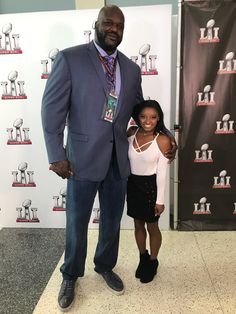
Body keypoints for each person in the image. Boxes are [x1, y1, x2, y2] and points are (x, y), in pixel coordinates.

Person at [41, 5, 177, 312]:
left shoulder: (131, 69)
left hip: (119, 160)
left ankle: (104, 265)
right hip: (81, 159)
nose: (113, 28)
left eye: (119, 24)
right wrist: (56, 155)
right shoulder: (70, 59)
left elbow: (141, 110)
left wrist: (165, 135)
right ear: (97, 25)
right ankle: (71, 274)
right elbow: (52, 112)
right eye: (108, 23)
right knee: (77, 221)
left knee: (112, 220)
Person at [127, 100, 171, 283]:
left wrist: (160, 200)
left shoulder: (163, 140)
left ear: (159, 118)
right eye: (143, 116)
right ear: (137, 118)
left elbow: (162, 173)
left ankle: (153, 261)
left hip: (150, 187)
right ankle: (142, 257)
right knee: (138, 224)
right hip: (133, 185)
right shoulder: (130, 134)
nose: (147, 121)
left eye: (153, 117)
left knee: (152, 226)